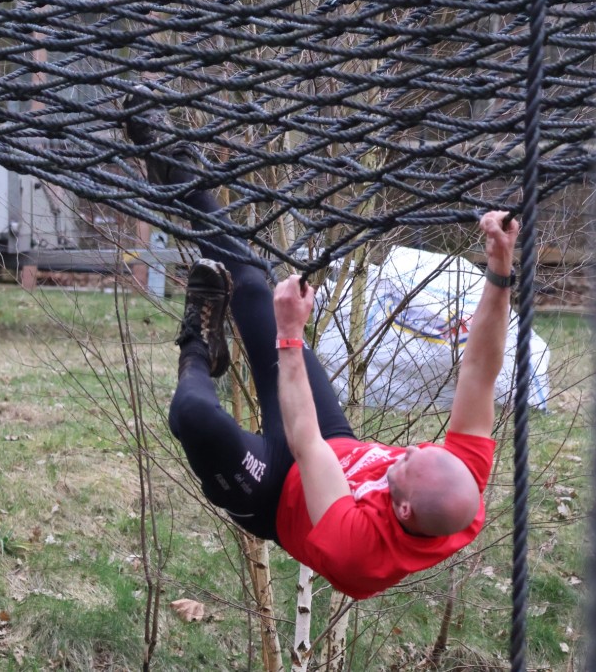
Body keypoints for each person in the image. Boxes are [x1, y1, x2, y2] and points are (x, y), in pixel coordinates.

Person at [124, 95, 519, 600]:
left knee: (196, 415)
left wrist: (290, 334)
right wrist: (500, 269)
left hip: (274, 495)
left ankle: (198, 345)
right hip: (335, 443)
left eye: (404, 465)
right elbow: (480, 370)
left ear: (402, 509)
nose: (406, 451)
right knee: (251, 288)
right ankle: (169, 155)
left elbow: (304, 442)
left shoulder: (359, 551)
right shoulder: (460, 482)